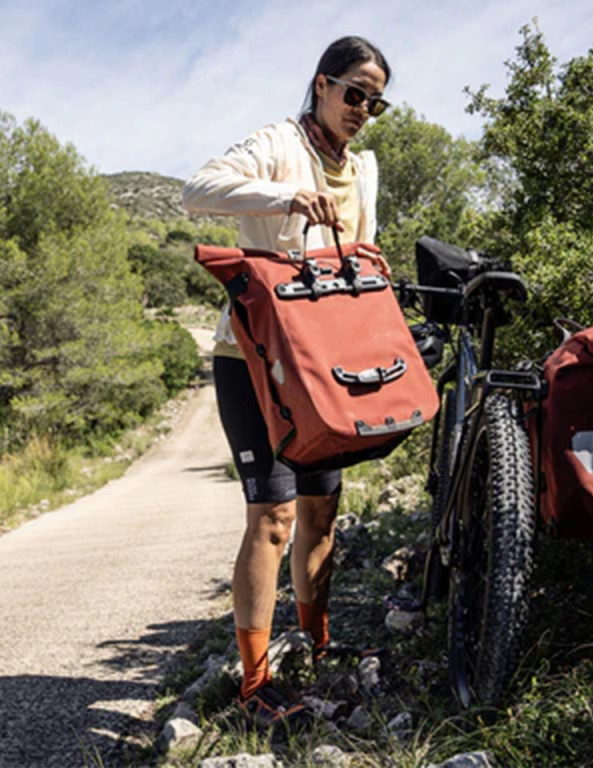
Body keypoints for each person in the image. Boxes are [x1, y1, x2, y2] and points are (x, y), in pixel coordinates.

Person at [182, 36, 391, 727]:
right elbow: (196, 191)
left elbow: (357, 252)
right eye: (354, 93)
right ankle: (255, 682)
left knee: (322, 512)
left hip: (323, 363)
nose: (362, 109)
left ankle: (318, 644)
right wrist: (287, 197)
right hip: (252, 358)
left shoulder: (363, 170)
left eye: (375, 102)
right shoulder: (277, 143)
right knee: (272, 517)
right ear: (322, 84)